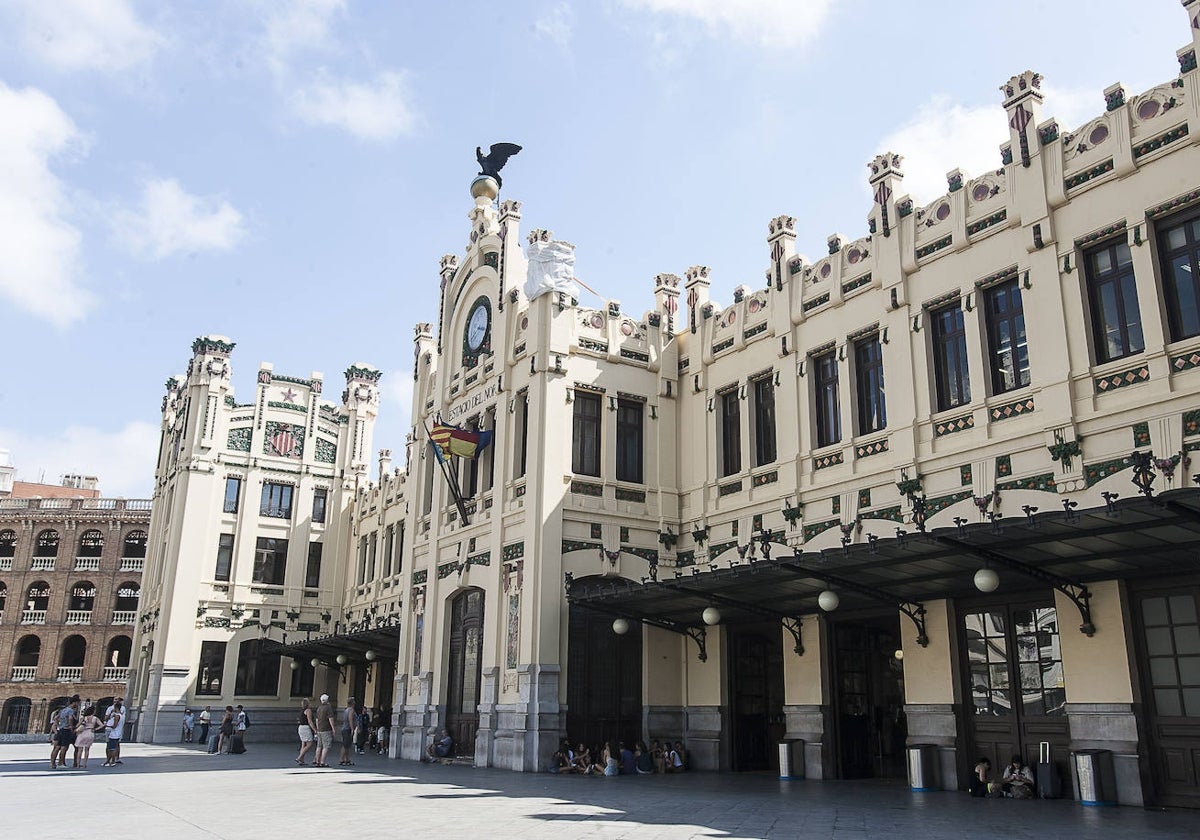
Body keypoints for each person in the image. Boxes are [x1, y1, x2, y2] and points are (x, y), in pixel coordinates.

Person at [50, 696, 80, 769]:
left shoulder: (63, 710)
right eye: (77, 703)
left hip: (61, 729)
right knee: (64, 747)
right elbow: (70, 718)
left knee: (57, 747)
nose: (78, 705)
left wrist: (59, 724)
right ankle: (61, 763)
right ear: (75, 702)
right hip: (66, 730)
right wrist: (71, 726)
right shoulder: (70, 710)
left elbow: (56, 718)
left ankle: (53, 763)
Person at [74, 703, 102, 769]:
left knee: (79, 750)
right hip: (90, 733)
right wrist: (95, 729)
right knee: (87, 750)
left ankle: (78, 764)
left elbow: (77, 725)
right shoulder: (95, 718)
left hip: (82, 733)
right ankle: (84, 764)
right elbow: (102, 725)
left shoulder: (84, 718)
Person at [102, 699, 126, 767]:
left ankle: (112, 761)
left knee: (111, 748)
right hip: (118, 733)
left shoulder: (117, 716)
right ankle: (113, 760)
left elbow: (114, 726)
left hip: (114, 733)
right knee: (114, 746)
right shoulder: (122, 716)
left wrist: (107, 725)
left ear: (116, 708)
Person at [313, 694, 334, 768]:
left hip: (320, 729)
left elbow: (317, 719)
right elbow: (330, 719)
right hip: (326, 729)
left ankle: (317, 761)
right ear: (327, 700)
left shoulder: (319, 708)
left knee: (319, 746)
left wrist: (317, 728)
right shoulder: (328, 708)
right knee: (326, 746)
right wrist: (333, 728)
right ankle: (322, 762)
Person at [296, 698, 316, 766]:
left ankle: (301, 760)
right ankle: (299, 757)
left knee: (303, 744)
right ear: (308, 704)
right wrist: (314, 729)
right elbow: (310, 721)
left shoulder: (301, 711)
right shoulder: (308, 711)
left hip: (300, 727)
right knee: (310, 744)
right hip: (306, 728)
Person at [339, 697, 356, 766]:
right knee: (345, 745)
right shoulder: (351, 710)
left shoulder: (346, 710)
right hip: (347, 729)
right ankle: (341, 759)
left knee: (347, 745)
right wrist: (352, 729)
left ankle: (347, 759)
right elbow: (350, 719)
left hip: (344, 728)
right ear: (353, 703)